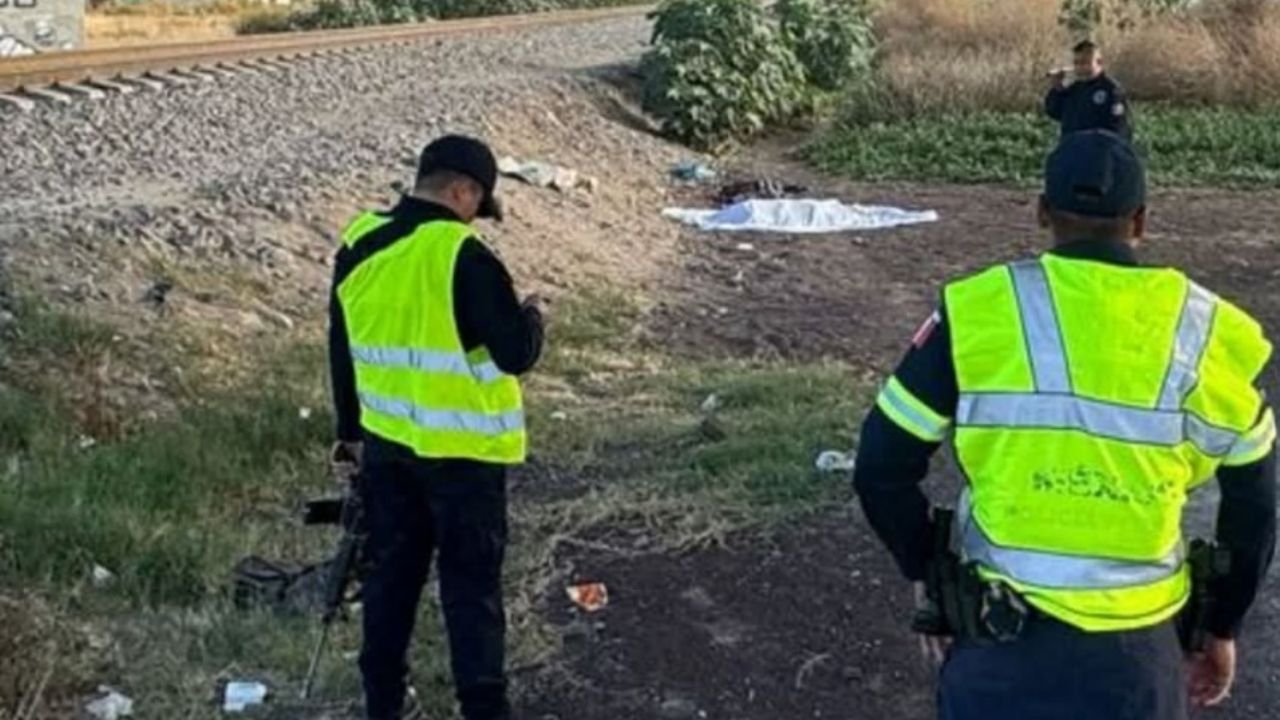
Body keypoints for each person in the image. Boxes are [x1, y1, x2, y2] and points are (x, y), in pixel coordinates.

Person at [852, 130, 1276, 720]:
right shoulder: (1206, 332)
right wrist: (1221, 625)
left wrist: (927, 572)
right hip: (1138, 664)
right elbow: (1255, 504)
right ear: (1141, 221)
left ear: (1043, 212)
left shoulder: (979, 312)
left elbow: (879, 468)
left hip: (998, 652)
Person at [328, 134, 544, 720]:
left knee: (390, 584)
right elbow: (512, 354)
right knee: (470, 593)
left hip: (388, 449)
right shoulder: (463, 255)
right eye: (479, 201)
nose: (478, 214)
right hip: (465, 457)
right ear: (461, 190)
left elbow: (341, 347)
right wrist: (533, 315)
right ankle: (483, 709)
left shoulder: (359, 241)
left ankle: (383, 705)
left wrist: (350, 434)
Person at [1045, 40, 1131, 140]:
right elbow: (1053, 112)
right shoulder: (1074, 89)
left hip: (1097, 151)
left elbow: (1119, 129)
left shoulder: (1111, 90)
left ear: (1099, 62)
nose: (1079, 67)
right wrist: (1057, 88)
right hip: (1071, 149)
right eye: (1076, 63)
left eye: (1084, 63)